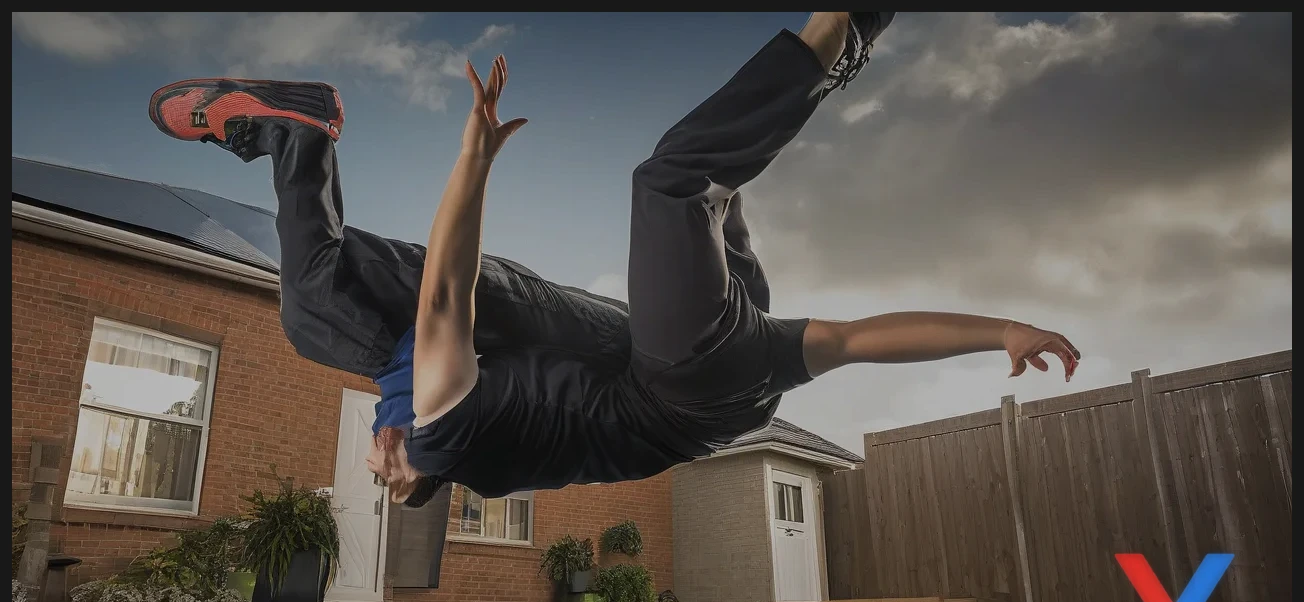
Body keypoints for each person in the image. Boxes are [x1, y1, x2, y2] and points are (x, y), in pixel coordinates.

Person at [149, 12, 1081, 515]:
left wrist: (997, 330)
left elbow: (853, 339)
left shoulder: (443, 416)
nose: (375, 467)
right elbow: (445, 299)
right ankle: (834, 34)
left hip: (636, 359)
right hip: (670, 379)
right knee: (671, 182)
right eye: (388, 484)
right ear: (419, 471)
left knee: (313, 315)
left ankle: (296, 133)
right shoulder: (439, 435)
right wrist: (474, 159)